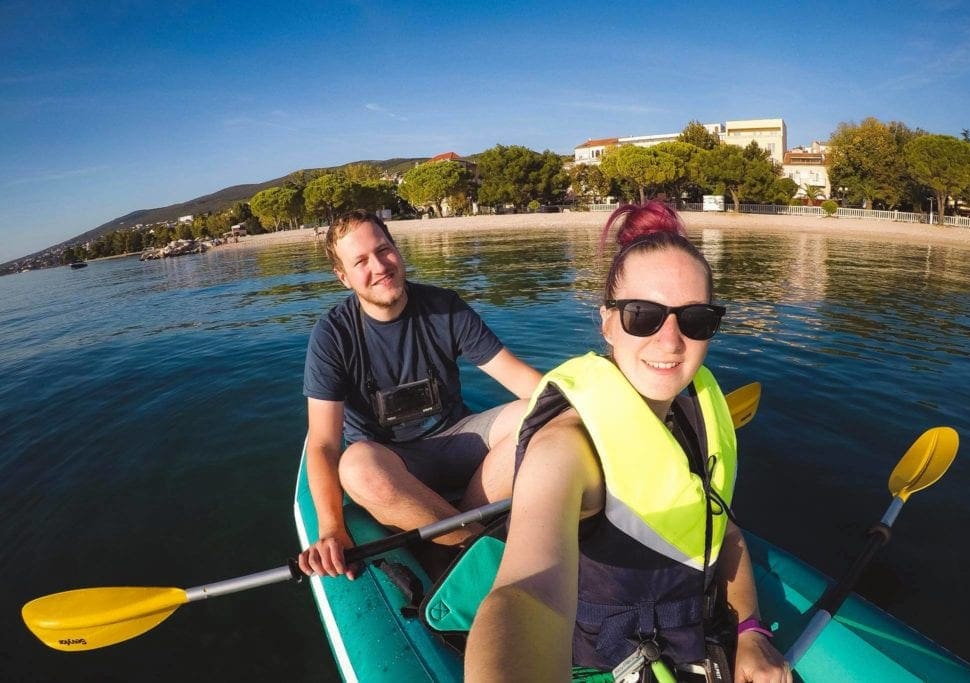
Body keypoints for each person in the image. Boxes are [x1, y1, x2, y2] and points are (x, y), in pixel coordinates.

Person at [465, 202, 790, 682]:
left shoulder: (691, 408)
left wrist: (750, 631)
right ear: (608, 323)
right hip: (618, 661)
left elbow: (724, 530)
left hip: (704, 639)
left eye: (695, 319)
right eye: (643, 316)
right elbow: (525, 594)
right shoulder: (567, 447)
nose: (671, 340)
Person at [298, 209, 541, 579]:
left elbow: (527, 384)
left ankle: (457, 542)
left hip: (461, 445)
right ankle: (482, 547)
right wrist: (331, 528)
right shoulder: (332, 335)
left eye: (383, 250)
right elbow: (324, 444)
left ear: (397, 249)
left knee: (543, 415)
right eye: (361, 261)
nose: (379, 266)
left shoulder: (445, 307)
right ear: (344, 277)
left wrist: (592, 409)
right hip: (393, 466)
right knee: (356, 467)